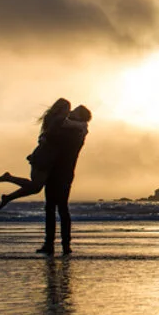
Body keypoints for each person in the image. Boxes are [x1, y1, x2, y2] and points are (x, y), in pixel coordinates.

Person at [0, 99, 87, 210]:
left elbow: (47, 136)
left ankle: (8, 197)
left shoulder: (53, 119)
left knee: (35, 187)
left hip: (45, 157)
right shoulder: (59, 120)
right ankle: (9, 179)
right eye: (68, 108)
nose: (70, 111)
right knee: (35, 187)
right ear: (62, 109)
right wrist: (83, 125)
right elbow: (70, 126)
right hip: (43, 157)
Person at [38, 104, 91, 256]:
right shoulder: (78, 129)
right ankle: (63, 244)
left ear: (80, 116)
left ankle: (54, 244)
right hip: (64, 172)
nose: (71, 112)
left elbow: (54, 139)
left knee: (54, 208)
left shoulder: (74, 130)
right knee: (60, 208)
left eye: (75, 111)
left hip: (59, 171)